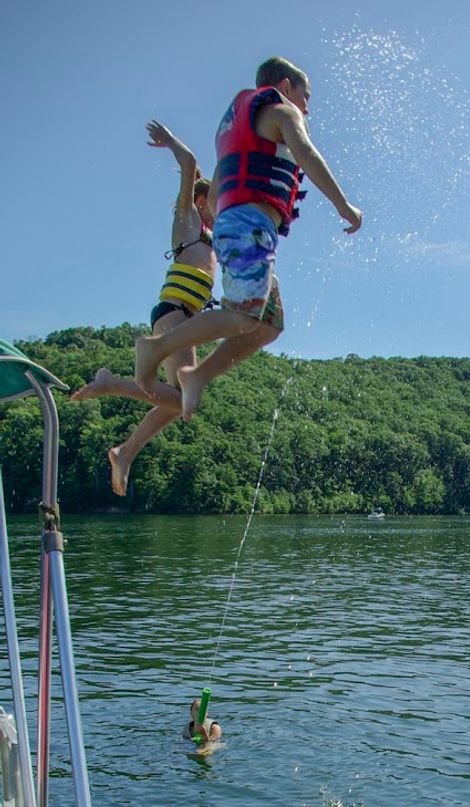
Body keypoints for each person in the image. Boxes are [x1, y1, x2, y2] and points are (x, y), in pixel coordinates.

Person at [134, 55, 362, 422]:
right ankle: (155, 348)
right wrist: (344, 205)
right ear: (286, 87)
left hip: (242, 226)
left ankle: (198, 375)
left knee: (269, 324)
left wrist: (229, 223)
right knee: (244, 315)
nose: (307, 108)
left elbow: (216, 192)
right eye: (307, 97)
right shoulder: (282, 111)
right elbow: (304, 152)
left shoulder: (237, 129)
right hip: (249, 225)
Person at [72, 121, 217, 496]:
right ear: (202, 202)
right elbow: (189, 163)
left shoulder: (214, 240)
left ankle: (125, 452)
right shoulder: (187, 224)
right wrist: (170, 141)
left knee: (179, 403)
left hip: (185, 320)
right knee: (184, 398)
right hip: (174, 314)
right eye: (216, 201)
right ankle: (111, 386)